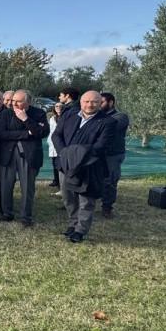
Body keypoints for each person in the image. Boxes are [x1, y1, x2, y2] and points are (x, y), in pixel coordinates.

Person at [53, 90, 115, 242]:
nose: (89, 104)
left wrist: (77, 156)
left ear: (100, 103)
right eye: (86, 101)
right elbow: (56, 135)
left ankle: (81, 230)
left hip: (89, 166)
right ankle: (73, 223)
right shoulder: (69, 115)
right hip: (65, 164)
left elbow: (100, 146)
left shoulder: (108, 122)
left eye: (94, 102)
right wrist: (64, 154)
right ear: (81, 102)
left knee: (86, 200)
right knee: (68, 197)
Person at [0, 89, 50, 227]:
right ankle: (7, 213)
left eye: (18, 101)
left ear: (28, 102)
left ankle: (26, 216)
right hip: (8, 154)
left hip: (29, 155)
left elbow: (41, 132)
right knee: (6, 185)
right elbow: (2, 134)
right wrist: (27, 134)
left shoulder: (38, 113)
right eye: (13, 100)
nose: (14, 103)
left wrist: (26, 119)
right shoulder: (6, 113)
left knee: (27, 187)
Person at [99, 92, 130, 218]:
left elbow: (108, 127)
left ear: (110, 102)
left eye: (101, 102)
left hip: (113, 154)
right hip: (99, 153)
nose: (98, 105)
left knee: (110, 180)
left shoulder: (120, 116)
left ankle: (107, 207)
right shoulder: (97, 116)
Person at [47, 103, 63, 189]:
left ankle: (61, 184)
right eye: (56, 106)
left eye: (60, 106)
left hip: (61, 144)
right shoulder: (52, 118)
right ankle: (56, 181)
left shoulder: (65, 118)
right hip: (52, 143)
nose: (58, 108)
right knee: (54, 163)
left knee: (60, 164)